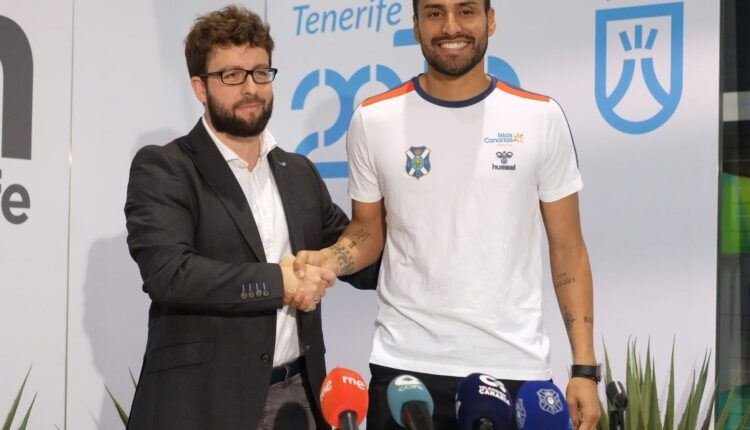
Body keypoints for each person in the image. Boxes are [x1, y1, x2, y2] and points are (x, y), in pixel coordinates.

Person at [294, 0, 601, 428]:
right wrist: (329, 259)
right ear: (416, 26)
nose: (450, 26)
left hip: (513, 367)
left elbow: (568, 248)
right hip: (405, 367)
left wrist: (584, 369)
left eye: (467, 11)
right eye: (435, 13)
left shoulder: (540, 118)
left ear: (490, 20)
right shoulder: (373, 120)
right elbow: (367, 231)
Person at [124, 6, 375, 430]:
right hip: (203, 402)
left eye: (260, 72)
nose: (250, 88)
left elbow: (358, 261)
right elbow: (170, 273)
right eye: (232, 75)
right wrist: (282, 282)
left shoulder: (298, 172)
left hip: (300, 396)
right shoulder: (165, 167)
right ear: (200, 88)